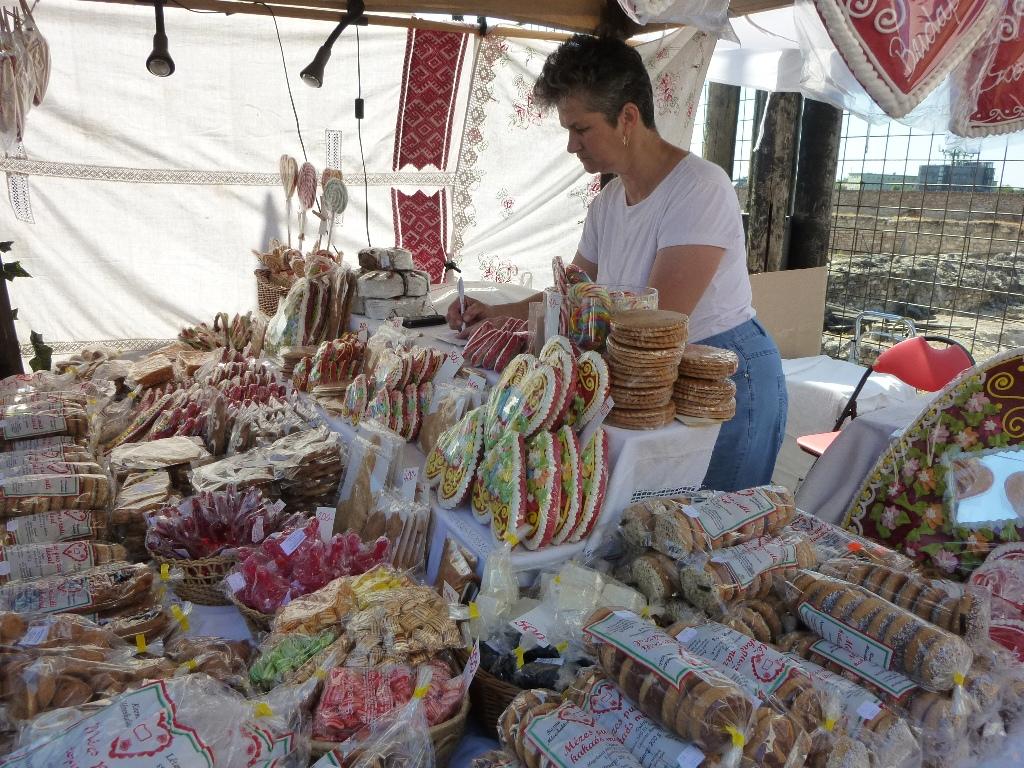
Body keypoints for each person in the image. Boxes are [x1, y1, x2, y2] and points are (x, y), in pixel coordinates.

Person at [446, 34, 786, 493]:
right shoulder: (608, 202)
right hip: (645, 377)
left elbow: (659, 321)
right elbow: (571, 294)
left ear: (627, 117)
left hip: (719, 376)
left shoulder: (699, 188)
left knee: (710, 524)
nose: (572, 145)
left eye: (581, 129)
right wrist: (495, 312)